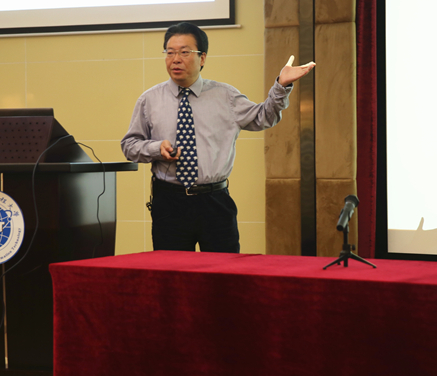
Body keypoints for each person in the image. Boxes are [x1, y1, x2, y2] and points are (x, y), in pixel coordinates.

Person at [121, 22, 315, 253]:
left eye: (184, 52)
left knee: (224, 270)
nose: (175, 59)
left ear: (202, 58)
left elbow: (264, 117)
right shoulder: (149, 100)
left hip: (215, 201)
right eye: (170, 52)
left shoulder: (226, 96)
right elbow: (129, 145)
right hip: (169, 202)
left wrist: (282, 85)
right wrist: (156, 148)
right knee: (171, 270)